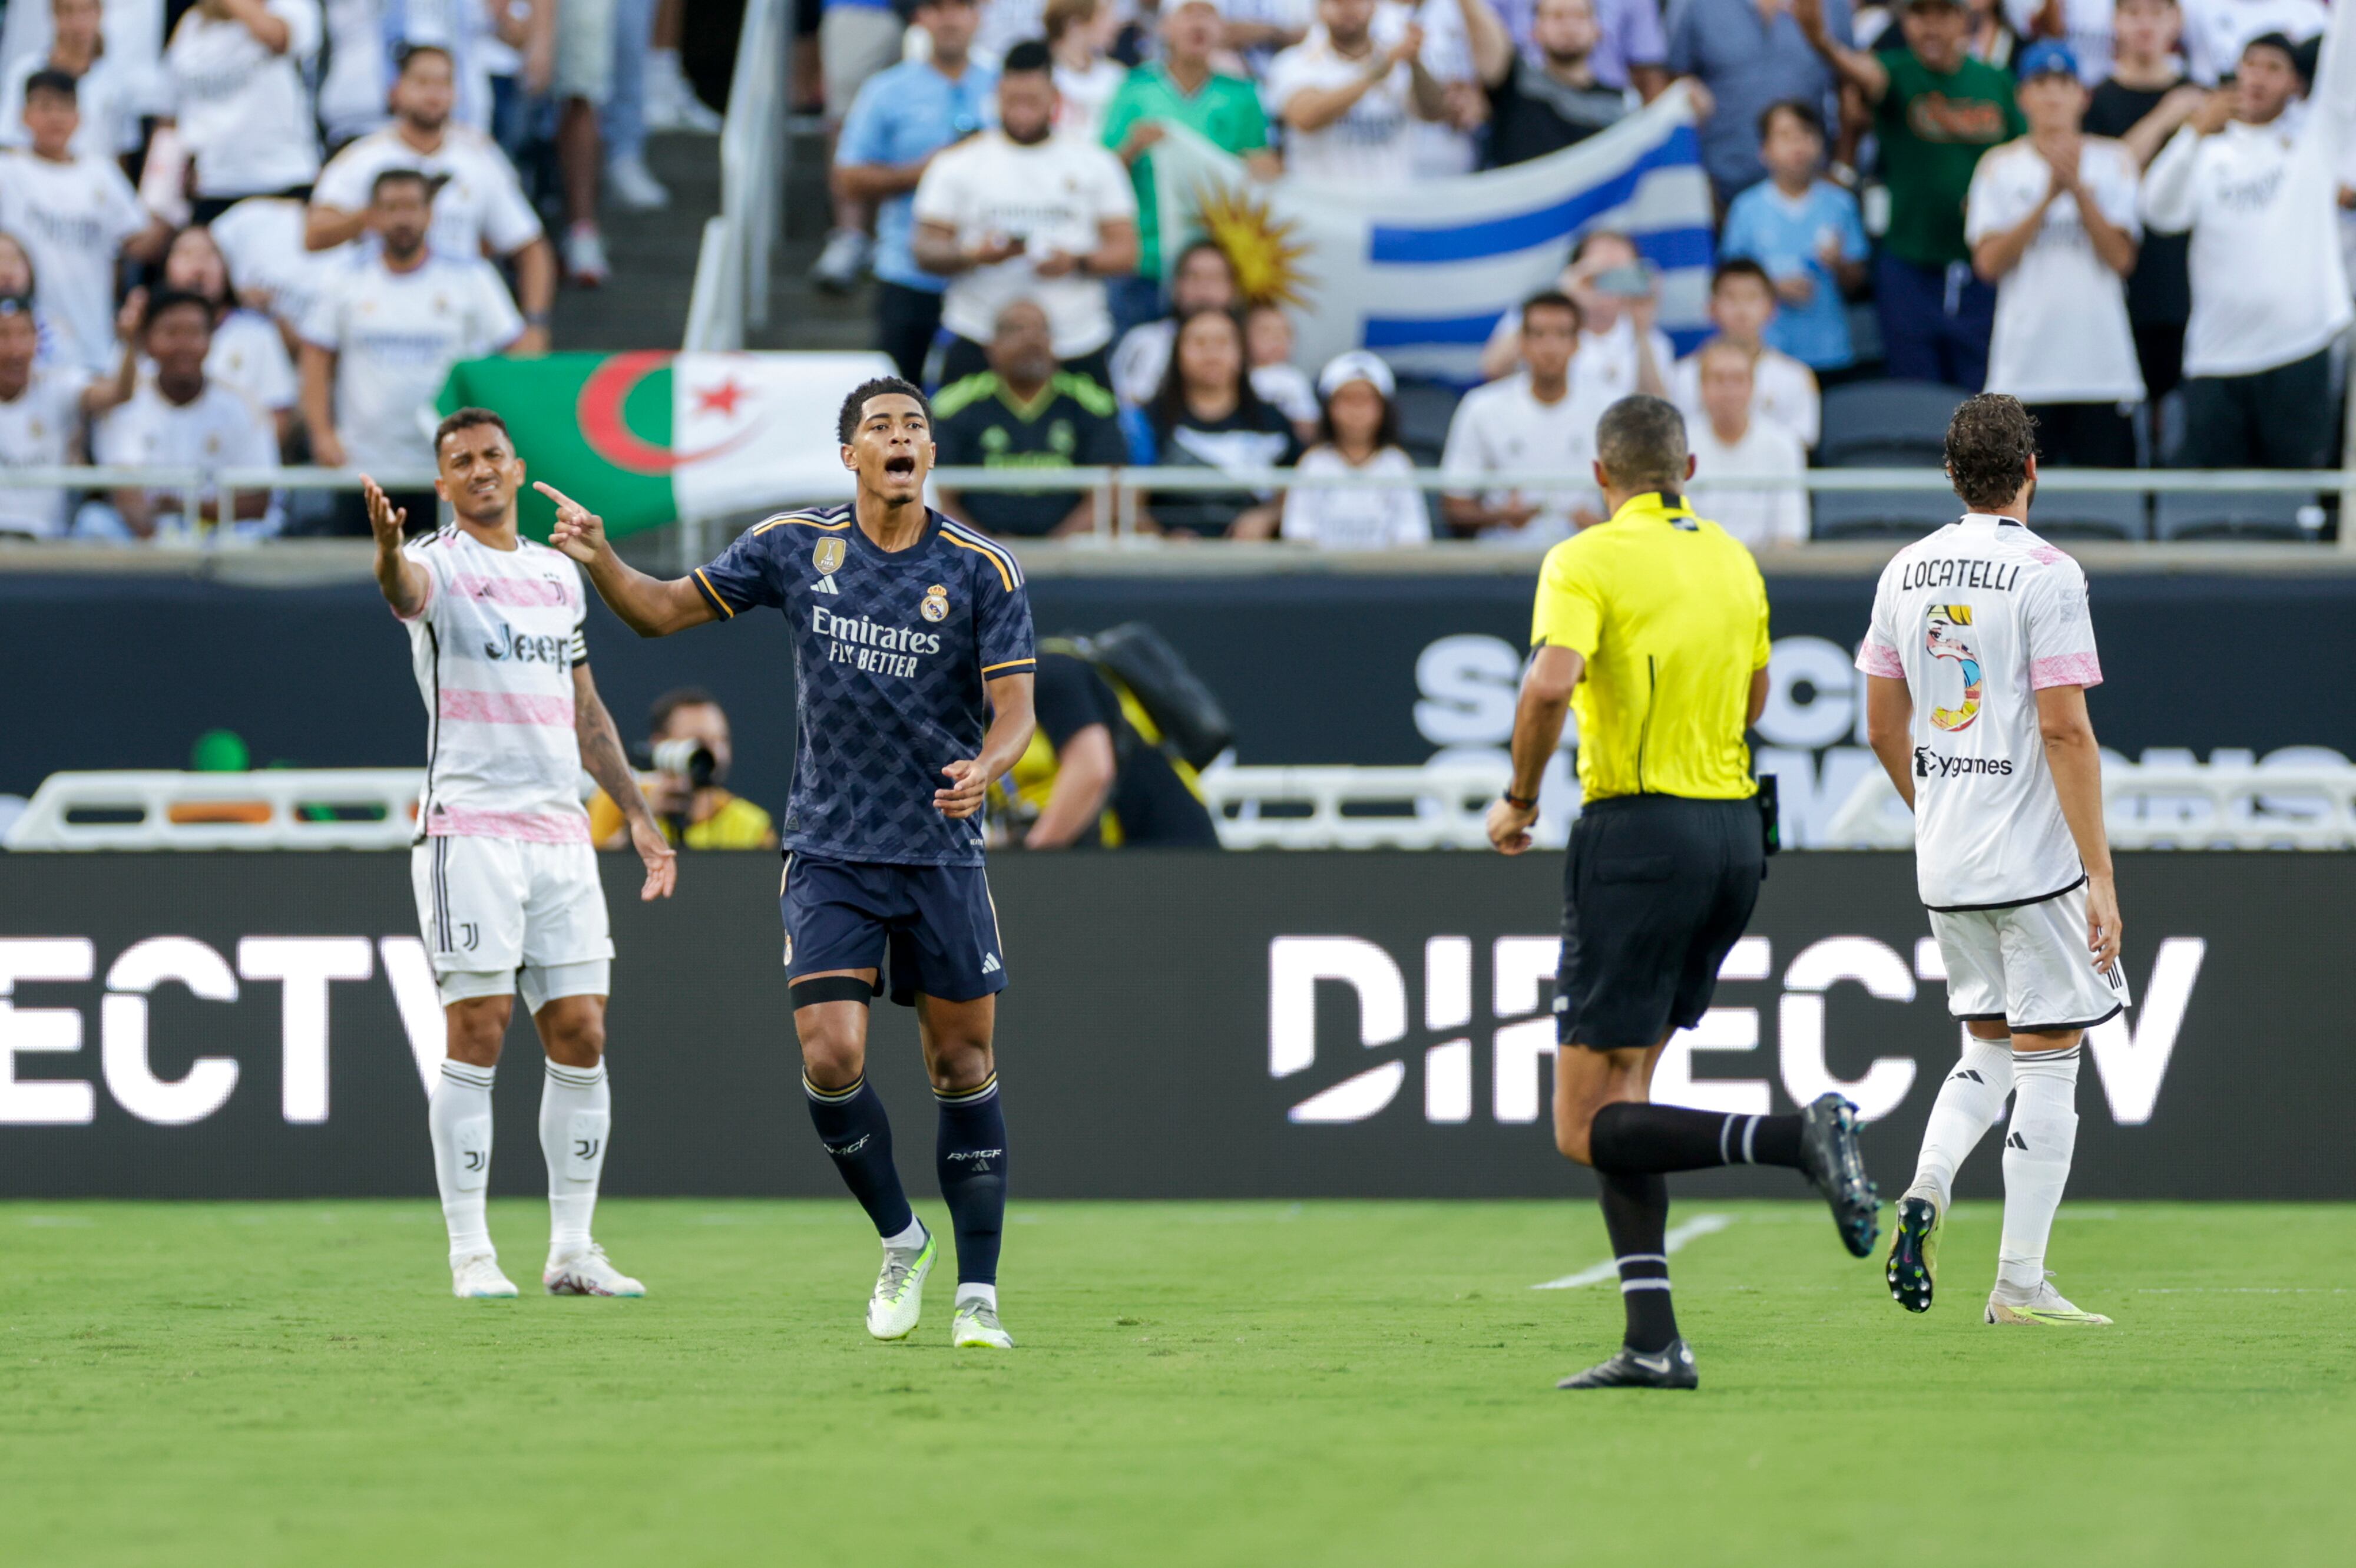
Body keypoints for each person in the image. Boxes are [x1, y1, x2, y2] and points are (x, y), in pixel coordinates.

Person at [545, 375, 1039, 1352]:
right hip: (829, 849)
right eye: (880, 428)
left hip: (940, 850)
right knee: (831, 1054)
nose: (901, 438)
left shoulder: (985, 569)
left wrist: (987, 765)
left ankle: (979, 1295)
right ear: (850, 456)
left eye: (915, 427)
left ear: (930, 455)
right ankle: (903, 1240)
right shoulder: (793, 547)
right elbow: (656, 611)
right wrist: (602, 556)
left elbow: (1017, 709)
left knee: (962, 1062)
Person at [1485, 392, 1878, 1390]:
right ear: (1688, 469)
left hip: (1638, 831)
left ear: (1601, 474)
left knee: (1582, 1123)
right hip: (1735, 833)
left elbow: (1547, 683)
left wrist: (1520, 796)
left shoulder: (1585, 557)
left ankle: (1797, 1135)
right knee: (1631, 1093)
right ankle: (1653, 1339)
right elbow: (1755, 695)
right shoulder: (1734, 558)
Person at [362, 406, 673, 1299]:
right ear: (445, 484)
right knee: (480, 1030)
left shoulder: (555, 577)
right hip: (471, 832)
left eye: (493, 455)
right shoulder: (436, 567)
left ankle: (573, 1251)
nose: (482, 470)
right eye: (461, 461)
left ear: (517, 464)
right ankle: (471, 1252)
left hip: (561, 834)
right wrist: (384, 549)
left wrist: (640, 817)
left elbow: (586, 710)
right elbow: (400, 585)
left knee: (581, 1032)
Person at [1856, 393, 2126, 1328]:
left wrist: (1936, 810)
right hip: (2034, 862)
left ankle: (1929, 1184)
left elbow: (1880, 724)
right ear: (2031, 471)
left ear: (1950, 474)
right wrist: (2100, 875)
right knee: (2051, 1060)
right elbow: (2066, 731)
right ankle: (2018, 1281)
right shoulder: (2050, 575)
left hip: (1949, 861)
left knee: (1986, 1046)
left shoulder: (1905, 568)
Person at [2142, 16, 2353, 469]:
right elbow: (2158, 211)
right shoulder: (2206, 151)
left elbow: (2342, 67)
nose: (2257, 76)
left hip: (2300, 351)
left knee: (2294, 509)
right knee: (2210, 517)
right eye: (2250, 63)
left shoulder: (2315, 144)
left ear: (2296, 84)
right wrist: (2193, 131)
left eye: (2273, 67)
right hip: (2216, 358)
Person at [1797, 0, 2025, 390]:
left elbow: (2023, 159)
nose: (1930, 28)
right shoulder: (1898, 72)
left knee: (1983, 395)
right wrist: (1821, 39)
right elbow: (1860, 72)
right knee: (1916, 393)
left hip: (1982, 269)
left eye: (1942, 15)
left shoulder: (1995, 80)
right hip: (1910, 266)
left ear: (1963, 21)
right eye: (1920, 16)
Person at [300, 169, 526, 533]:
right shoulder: (342, 278)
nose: (402, 218)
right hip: (364, 464)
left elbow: (517, 351)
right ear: (372, 215)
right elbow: (315, 358)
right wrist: (322, 433)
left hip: (454, 469)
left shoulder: (473, 277)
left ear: (430, 213)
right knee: (359, 577)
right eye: (391, 208)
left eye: (412, 207)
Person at [913, 40, 1139, 388]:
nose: (1021, 112)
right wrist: (973, 254)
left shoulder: (1096, 163)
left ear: (1055, 98)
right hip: (979, 335)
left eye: (1032, 101)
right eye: (1012, 101)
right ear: (996, 95)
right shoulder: (957, 164)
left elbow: (1126, 252)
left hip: (1075, 338)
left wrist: (1076, 262)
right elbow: (925, 248)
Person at [306, 42, 556, 356]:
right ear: (395, 90)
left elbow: (529, 246)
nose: (433, 94)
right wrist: (374, 216)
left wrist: (535, 323)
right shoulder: (363, 159)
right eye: (422, 83)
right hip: (378, 323)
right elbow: (313, 234)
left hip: (459, 323)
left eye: (444, 83)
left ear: (457, 93)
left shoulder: (479, 159)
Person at [1966, 40, 2143, 467]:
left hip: (2101, 370)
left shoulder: (2114, 159)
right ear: (2021, 97)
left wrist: (2078, 191)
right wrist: (2047, 198)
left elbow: (2122, 259)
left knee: (2105, 512)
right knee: (2018, 520)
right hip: (2024, 372)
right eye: (2040, 83)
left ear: (2082, 95)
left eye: (2063, 83)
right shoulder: (1998, 165)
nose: (2052, 94)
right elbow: (1988, 264)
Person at [832, 0, 995, 383]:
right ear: (921, 18)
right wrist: (921, 172)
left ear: (978, 16)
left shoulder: (1003, 85)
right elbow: (848, 177)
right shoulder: (886, 90)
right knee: (897, 404)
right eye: (938, 7)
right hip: (907, 272)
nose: (950, 19)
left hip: (986, 275)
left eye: (961, 7)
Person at [1100, 0, 1276, 338]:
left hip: (1216, 264)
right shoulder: (1134, 89)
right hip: (1146, 258)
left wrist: (1265, 167)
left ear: (1222, 30)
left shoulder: (1241, 95)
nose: (1199, 24)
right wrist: (1133, 147)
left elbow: (1260, 171)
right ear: (1165, 28)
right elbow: (1103, 172)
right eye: (1189, 13)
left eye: (1208, 15)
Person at [0, 69, 165, 375]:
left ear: (79, 117)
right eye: (44, 107)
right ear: (24, 115)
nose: (55, 118)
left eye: (64, 107)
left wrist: (169, 203)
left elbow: (141, 244)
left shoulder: (100, 173)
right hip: (19, 348)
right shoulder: (8, 172)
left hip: (91, 338)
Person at [2083, 0, 2203, 412]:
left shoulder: (2201, 98)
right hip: (2124, 275)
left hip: (2189, 275)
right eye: (2133, 13)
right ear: (2115, 22)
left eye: (2156, 12)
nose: (2145, 24)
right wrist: (2166, 117)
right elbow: (2105, 177)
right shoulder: (2094, 100)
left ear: (2176, 20)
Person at [88, 289, 280, 537]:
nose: (184, 345)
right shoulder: (127, 402)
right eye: (171, 333)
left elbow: (257, 501)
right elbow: (125, 495)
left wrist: (184, 507)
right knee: (94, 523)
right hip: (144, 537)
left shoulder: (240, 404)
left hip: (219, 534)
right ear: (147, 341)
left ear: (211, 340)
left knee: (255, 534)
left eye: (194, 333)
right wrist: (164, 545)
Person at [934, 297, 1128, 538]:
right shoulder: (953, 405)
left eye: (1042, 330)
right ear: (991, 347)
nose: (1032, 339)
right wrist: (986, 551)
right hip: (974, 561)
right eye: (1016, 330)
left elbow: (1115, 490)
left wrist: (1053, 548)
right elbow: (935, 495)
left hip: (1071, 557)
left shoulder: (1091, 403)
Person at [1004, 646, 1222, 847]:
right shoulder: (987, 713)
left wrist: (1033, 858)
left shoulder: (1051, 674)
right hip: (1115, 854)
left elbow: (1092, 772)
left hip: (1169, 843)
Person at [1717, 100, 1872, 375]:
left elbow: (1857, 282)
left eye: (1806, 134)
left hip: (1829, 350)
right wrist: (1772, 288)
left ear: (1820, 144)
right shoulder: (1746, 208)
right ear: (1765, 151)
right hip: (1765, 350)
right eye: (1786, 136)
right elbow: (1730, 283)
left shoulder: (1840, 204)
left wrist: (1838, 264)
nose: (1797, 146)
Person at [1444, 290, 1606, 546]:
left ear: (1577, 344)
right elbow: (1455, 505)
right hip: (1503, 565)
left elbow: (1636, 503)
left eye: (1562, 334)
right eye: (1539, 335)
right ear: (1522, 343)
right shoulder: (1482, 406)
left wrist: (1601, 526)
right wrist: (1499, 517)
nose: (1550, 348)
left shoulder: (1608, 408)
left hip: (1586, 561)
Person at [1667, 0, 1851, 203]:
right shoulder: (1699, 7)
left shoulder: (1833, 6)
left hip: (1810, 190)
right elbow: (1676, 91)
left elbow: (1851, 87)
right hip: (1720, 189)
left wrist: (1843, 169)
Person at [1141, 306, 1301, 537]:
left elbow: (1299, 487)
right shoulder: (1147, 420)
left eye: (1223, 342)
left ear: (1242, 353)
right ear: (1177, 353)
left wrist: (1268, 517)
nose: (1211, 354)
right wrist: (1161, 537)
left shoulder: (1272, 421)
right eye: (1199, 343)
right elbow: (1126, 501)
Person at [161, 0, 322, 224]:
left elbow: (277, 38)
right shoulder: (193, 22)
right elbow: (175, 106)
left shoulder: (291, 6)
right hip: (213, 183)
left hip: (281, 178)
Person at [1265, 0, 1447, 185]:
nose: (1348, 9)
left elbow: (1435, 112)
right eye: (1337, 3)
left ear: (1374, 6)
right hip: (1322, 207)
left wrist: (1414, 62)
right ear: (1319, 9)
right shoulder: (1295, 63)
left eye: (1357, 1)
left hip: (1390, 205)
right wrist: (1376, 73)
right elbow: (1305, 117)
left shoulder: (1398, 61)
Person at [1478, 230, 1671, 403]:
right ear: (1576, 270)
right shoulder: (1536, 316)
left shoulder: (1650, 339)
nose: (1610, 284)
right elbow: (1493, 369)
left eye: (1621, 273)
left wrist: (1641, 329)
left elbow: (1658, 409)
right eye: (1601, 272)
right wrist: (1564, 295)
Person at [0, 289, 133, 538]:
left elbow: (118, 393)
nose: (14, 348)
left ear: (37, 339)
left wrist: (130, 344)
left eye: (23, 334)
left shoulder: (57, 387)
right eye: (3, 335)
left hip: (47, 545)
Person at [810, 0, 920, 290]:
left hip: (956, 11)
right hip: (867, 8)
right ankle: (852, 236)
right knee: (847, 118)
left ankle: (902, 236)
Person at [587, 686, 779, 851]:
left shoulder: (753, 824)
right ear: (661, 744)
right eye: (699, 742)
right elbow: (594, 874)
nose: (716, 754)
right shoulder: (617, 802)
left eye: (722, 741)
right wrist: (639, 822)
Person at [157, 224, 295, 446]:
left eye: (209, 254)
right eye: (186, 254)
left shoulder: (257, 333)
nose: (198, 266)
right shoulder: (146, 333)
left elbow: (278, 417)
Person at [1280, 349, 1431, 549]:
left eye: (1366, 400)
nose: (1356, 410)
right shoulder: (1313, 463)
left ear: (1383, 409)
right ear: (1329, 408)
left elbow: (1413, 538)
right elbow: (1298, 536)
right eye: (1347, 400)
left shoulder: (1397, 464)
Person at [1669, 259, 1821, 447]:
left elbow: (1801, 443)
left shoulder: (1796, 376)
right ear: (1711, 309)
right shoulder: (1682, 376)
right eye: (1731, 298)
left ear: (1771, 309)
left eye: (1752, 298)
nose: (1742, 310)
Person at [1462, 0, 1632, 168]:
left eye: (1580, 16)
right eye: (1557, 16)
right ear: (1535, 30)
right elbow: (1484, 38)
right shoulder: (1515, 82)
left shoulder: (1620, 104)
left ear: (1598, 29)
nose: (1569, 26)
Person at [1683, 338, 1811, 547]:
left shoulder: (1783, 445)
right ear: (1701, 387)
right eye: (1718, 379)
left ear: (1753, 386)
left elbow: (1790, 535)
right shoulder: (1679, 446)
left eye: (1738, 379)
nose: (1728, 390)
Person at [0, 0, 143, 160]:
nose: (78, 23)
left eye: (86, 11)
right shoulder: (25, 71)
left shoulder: (116, 81)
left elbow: (122, 152)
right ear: (55, 15)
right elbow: (8, 140)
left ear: (100, 13)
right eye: (69, 11)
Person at [1108, 239, 1240, 408]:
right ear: (1176, 286)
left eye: (1215, 278)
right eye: (1194, 277)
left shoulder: (1251, 345)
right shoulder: (1144, 342)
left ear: (1233, 289)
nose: (1204, 287)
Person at [1047, 0, 1125, 144]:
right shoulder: (1042, 77)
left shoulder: (1117, 77)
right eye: (1104, 16)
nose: (1115, 25)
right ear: (1074, 24)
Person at [1243, 302, 1321, 443]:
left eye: (1285, 333)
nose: (1277, 339)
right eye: (1266, 332)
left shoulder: (1295, 379)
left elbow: (1308, 423)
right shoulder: (1240, 378)